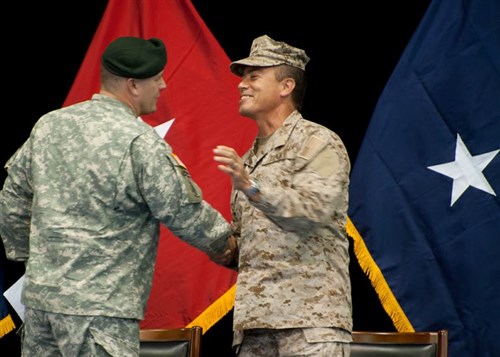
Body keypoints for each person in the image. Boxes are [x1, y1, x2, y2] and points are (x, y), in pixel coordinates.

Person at [0, 36, 235, 356]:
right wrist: (230, 249)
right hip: (100, 312)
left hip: (42, 305)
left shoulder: (50, 125)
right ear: (133, 85)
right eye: (157, 78)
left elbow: (13, 196)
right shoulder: (138, 141)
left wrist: (30, 256)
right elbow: (184, 210)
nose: (164, 85)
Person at [213, 34, 353, 356]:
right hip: (254, 326)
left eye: (254, 76)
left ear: (286, 86)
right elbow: (245, 244)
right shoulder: (247, 159)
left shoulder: (321, 143)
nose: (241, 85)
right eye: (243, 77)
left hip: (311, 324)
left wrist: (250, 186)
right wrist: (207, 232)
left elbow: (311, 214)